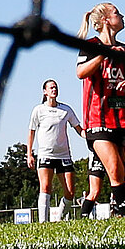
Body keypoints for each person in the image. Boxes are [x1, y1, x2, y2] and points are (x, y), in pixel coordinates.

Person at [76, 3, 125, 217]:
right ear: (107, 20)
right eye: (118, 13)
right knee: (115, 170)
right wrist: (104, 54)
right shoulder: (90, 45)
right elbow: (81, 72)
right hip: (99, 120)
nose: (123, 15)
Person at [26, 79, 84, 221]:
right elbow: (31, 132)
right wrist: (29, 154)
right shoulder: (38, 110)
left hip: (64, 155)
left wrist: (93, 137)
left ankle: (59, 218)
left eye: (56, 87)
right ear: (45, 92)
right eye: (51, 87)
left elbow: (79, 129)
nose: (54, 89)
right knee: (45, 187)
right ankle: (43, 223)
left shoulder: (66, 110)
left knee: (70, 192)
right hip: (45, 154)